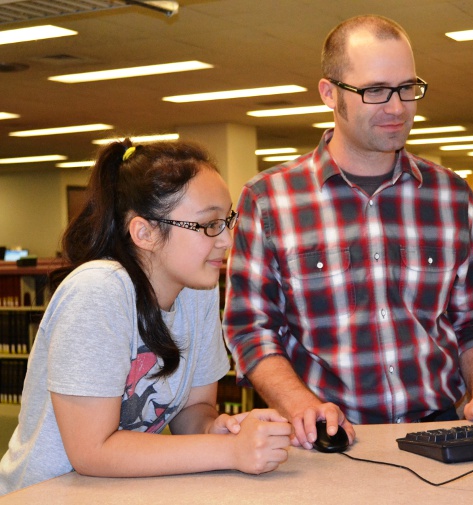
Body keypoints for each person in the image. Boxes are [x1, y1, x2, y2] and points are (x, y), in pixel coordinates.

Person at [222, 14, 473, 451]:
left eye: (407, 88)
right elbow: (251, 328)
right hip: (328, 440)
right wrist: (301, 406)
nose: (397, 107)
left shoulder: (451, 196)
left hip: (438, 432)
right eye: (375, 91)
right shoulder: (269, 200)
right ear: (329, 93)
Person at [0, 140, 291, 495]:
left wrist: (218, 429)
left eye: (228, 220)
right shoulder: (97, 292)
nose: (227, 239)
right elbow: (92, 452)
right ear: (145, 233)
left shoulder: (198, 290)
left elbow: (195, 408)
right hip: (45, 495)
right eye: (209, 224)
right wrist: (230, 450)